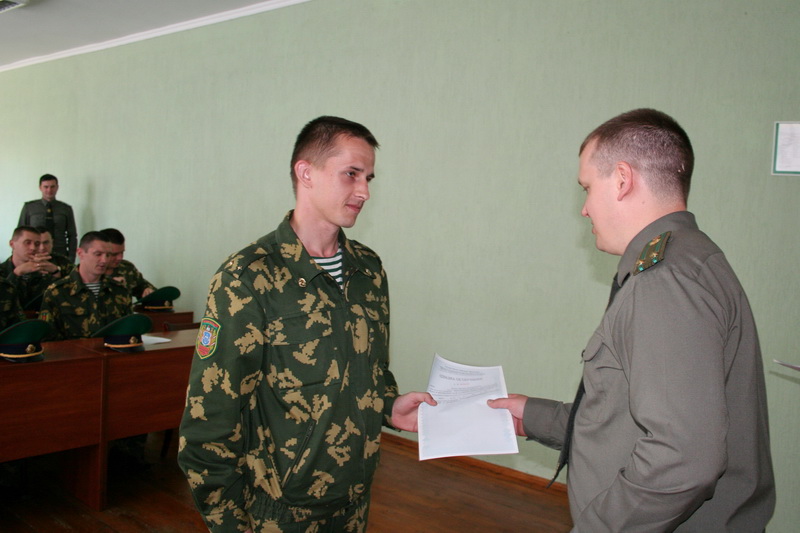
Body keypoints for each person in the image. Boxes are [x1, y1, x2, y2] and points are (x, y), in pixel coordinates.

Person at [489, 109, 774, 531]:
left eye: (587, 188)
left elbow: (681, 458)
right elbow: (627, 416)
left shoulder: (665, 282)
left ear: (622, 179)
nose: (584, 209)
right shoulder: (691, 259)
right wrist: (532, 416)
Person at [178, 116, 435, 533]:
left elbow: (368, 370)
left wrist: (389, 405)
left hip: (355, 499)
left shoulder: (367, 270)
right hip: (278, 512)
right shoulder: (248, 278)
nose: (365, 191)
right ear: (306, 173)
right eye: (351, 174)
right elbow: (210, 420)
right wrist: (229, 525)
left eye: (369, 178)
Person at [39, 231, 132, 340]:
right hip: (73, 350)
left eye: (108, 255)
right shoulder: (57, 292)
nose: (104, 260)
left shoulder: (119, 290)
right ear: (80, 253)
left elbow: (129, 330)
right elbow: (47, 338)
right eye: (98, 254)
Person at [0, 226, 71, 311]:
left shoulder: (45, 269)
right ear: (12, 244)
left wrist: (56, 273)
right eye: (27, 243)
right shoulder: (2, 270)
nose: (33, 248)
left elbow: (61, 301)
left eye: (36, 244)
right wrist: (16, 273)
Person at [18, 174, 78, 262]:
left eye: (52, 187)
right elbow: (20, 233)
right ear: (40, 188)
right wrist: (19, 256)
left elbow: (72, 235)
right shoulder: (29, 207)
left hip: (60, 253)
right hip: (35, 253)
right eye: (46, 187)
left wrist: (71, 257)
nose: (49, 190)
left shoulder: (66, 209)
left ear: (57, 187)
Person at [100, 228, 155, 300]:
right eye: (114, 254)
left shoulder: (126, 268)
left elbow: (143, 286)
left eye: (122, 252)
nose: (120, 258)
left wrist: (147, 290)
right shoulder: (90, 273)